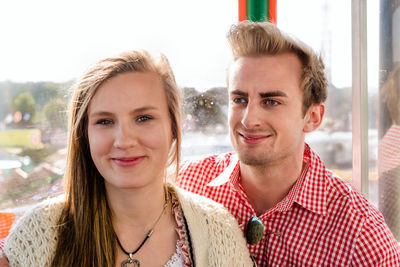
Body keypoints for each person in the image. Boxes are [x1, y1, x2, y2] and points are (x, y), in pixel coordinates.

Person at [177, 21, 400, 266]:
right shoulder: (185, 184)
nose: (249, 119)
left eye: (271, 101)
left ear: (313, 118)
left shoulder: (360, 235)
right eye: (239, 99)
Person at [2, 50, 253, 266]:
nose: (124, 140)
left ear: (174, 128)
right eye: (105, 121)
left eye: (143, 118)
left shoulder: (217, 231)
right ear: (84, 136)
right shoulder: (41, 233)